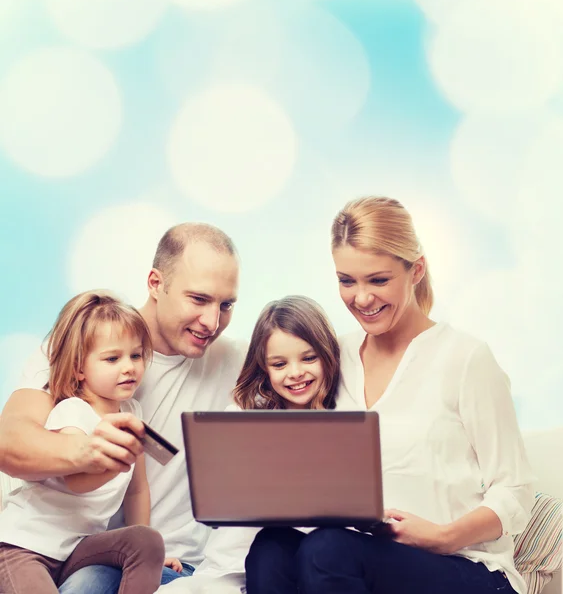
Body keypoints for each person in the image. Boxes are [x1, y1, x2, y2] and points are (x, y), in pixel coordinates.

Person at [245, 197, 536, 594]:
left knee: (326, 550)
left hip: (466, 568)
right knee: (271, 547)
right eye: (347, 281)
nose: (361, 299)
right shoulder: (335, 356)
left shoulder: (465, 358)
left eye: (378, 280)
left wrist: (444, 536)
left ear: (416, 270)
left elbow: (515, 491)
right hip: (365, 559)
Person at [0, 224, 247, 593]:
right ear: (155, 283)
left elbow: (308, 362)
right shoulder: (81, 343)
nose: (213, 323)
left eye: (226, 305)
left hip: (175, 563)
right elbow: (10, 443)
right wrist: (89, 453)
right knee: (83, 585)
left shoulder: (242, 362)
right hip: (74, 555)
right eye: (198, 299)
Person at [162, 295, 341, 594]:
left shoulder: (343, 420)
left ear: (327, 355)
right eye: (280, 364)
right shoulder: (243, 416)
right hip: (229, 568)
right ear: (265, 368)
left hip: (300, 565)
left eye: (308, 358)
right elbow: (218, 499)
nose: (296, 373)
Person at [0, 290, 168, 593]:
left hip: (75, 549)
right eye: (113, 358)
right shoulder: (72, 410)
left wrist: (151, 548)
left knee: (147, 540)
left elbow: (138, 489)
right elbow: (77, 481)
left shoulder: (133, 412)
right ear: (79, 367)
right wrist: (117, 459)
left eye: (136, 355)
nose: (129, 366)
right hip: (24, 547)